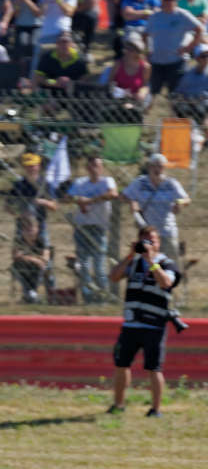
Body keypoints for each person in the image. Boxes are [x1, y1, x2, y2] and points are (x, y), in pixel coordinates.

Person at [106, 224, 182, 416]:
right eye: (144, 240)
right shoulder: (133, 263)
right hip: (131, 323)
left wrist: (151, 261)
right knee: (121, 364)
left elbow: (166, 283)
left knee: (153, 368)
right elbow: (113, 277)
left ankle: (155, 409)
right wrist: (130, 255)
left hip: (154, 325)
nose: (148, 244)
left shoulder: (166, 263)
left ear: (159, 243)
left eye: (152, 240)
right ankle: (118, 405)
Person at [66, 153, 117, 303]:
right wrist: (79, 200)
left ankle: (102, 297)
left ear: (101, 168)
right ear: (87, 168)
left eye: (98, 166)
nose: (95, 169)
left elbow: (112, 194)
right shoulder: (80, 183)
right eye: (92, 166)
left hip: (98, 228)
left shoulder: (107, 181)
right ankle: (88, 297)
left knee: (99, 266)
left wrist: (90, 200)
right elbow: (68, 197)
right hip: (82, 227)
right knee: (83, 265)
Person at [122, 153, 188, 268]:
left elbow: (186, 199)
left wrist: (179, 203)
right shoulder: (140, 183)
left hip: (167, 230)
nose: (157, 169)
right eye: (155, 166)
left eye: (161, 166)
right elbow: (123, 195)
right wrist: (133, 202)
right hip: (148, 233)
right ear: (149, 167)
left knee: (170, 265)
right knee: (147, 265)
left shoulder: (171, 183)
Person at [144, 0, 202, 96]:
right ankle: (146, 112)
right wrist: (147, 51)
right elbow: (145, 35)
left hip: (176, 62)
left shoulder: (183, 15)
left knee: (176, 94)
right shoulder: (154, 17)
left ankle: (176, 112)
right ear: (161, 0)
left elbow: (199, 29)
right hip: (156, 62)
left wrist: (189, 48)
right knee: (152, 92)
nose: (170, 1)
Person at [11, 214, 51, 303]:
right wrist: (35, 259)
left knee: (39, 268)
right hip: (23, 267)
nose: (30, 232)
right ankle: (31, 294)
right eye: (26, 230)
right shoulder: (19, 240)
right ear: (22, 230)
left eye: (32, 229)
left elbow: (46, 256)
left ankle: (30, 295)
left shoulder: (41, 240)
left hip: (37, 267)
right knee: (21, 266)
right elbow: (16, 256)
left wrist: (38, 260)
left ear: (37, 229)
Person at [172, 44, 208, 124]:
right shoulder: (188, 74)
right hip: (188, 104)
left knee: (202, 114)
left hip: (203, 104)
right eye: (203, 56)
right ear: (197, 58)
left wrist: (202, 98)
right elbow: (179, 91)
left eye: (207, 56)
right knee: (180, 110)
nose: (206, 58)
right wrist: (182, 98)